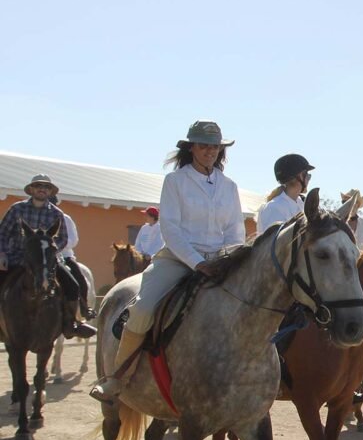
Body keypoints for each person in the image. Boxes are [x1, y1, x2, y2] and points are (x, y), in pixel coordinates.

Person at [90, 119, 245, 402]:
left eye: (215, 146)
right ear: (191, 148)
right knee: (143, 308)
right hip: (178, 259)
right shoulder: (175, 181)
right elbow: (170, 228)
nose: (210, 151)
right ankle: (117, 377)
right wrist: (198, 262)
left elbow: (236, 229)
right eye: (203, 145)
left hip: (221, 261)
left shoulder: (230, 186)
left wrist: (226, 258)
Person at [0, 175, 96, 339]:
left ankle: (71, 324)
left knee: (73, 286)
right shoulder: (17, 209)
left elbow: (63, 238)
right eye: (38, 186)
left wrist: (48, 252)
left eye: (46, 187)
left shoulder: (57, 214)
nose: (42, 189)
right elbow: (2, 233)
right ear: (31, 189)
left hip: (46, 262)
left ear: (50, 191)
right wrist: (1, 253)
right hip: (16, 258)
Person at [256, 154, 315, 233]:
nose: (309, 179)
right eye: (307, 175)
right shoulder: (274, 208)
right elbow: (278, 244)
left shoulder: (302, 204)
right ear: (299, 176)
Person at [56, 207, 96, 319]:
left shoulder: (65, 218)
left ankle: (84, 308)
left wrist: (57, 245)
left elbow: (73, 239)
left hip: (64, 256)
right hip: (42, 257)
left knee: (80, 280)